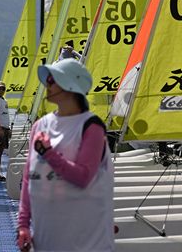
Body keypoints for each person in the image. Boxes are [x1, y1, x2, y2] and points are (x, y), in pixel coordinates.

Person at [17, 58, 113, 252]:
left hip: (86, 242)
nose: (47, 85)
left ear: (70, 85)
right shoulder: (40, 125)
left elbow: (83, 177)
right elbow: (29, 178)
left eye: (52, 80)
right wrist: (23, 225)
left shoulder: (91, 126)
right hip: (47, 238)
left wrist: (48, 153)